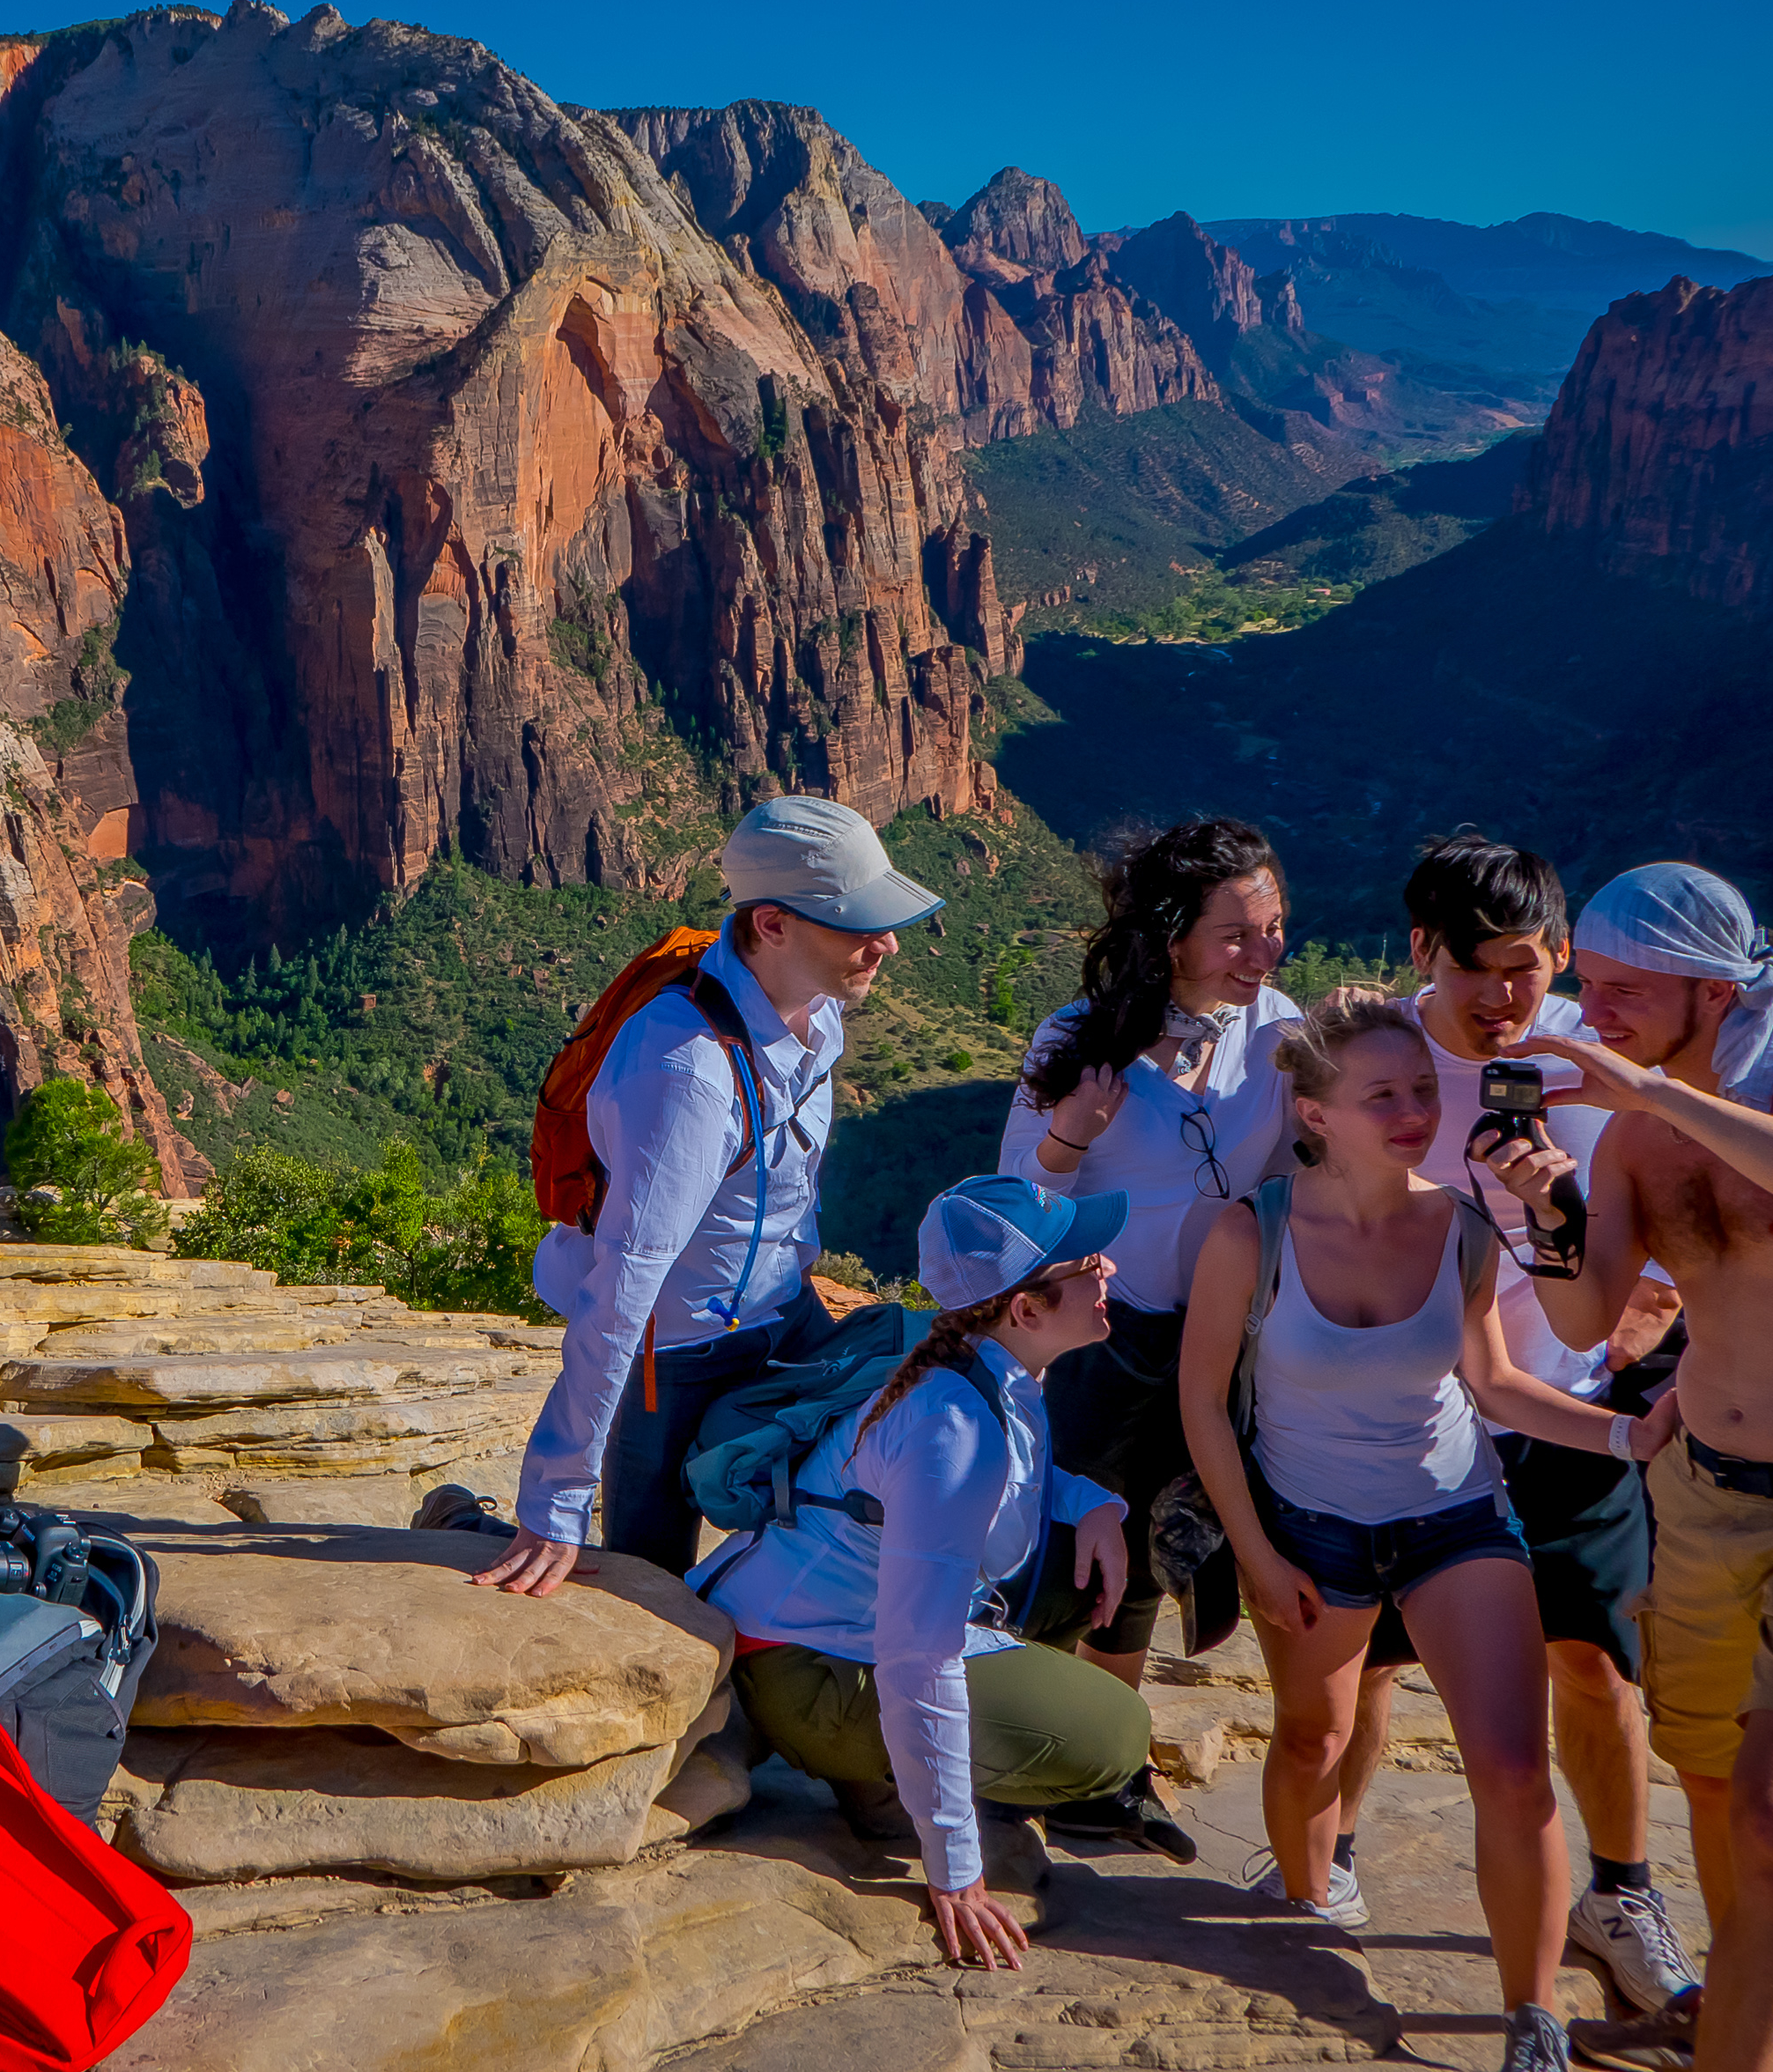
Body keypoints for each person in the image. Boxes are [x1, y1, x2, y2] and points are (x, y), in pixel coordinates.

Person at [1486, 864, 1773, 2072]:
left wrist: (1657, 1094)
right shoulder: (1639, 1140)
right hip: (1703, 1499)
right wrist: (1546, 1207)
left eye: (1625, 989)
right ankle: (1732, 2002)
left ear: (1712, 989)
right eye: (1588, 986)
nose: (1597, 1014)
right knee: (1708, 1784)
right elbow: (1591, 1319)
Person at [1182, 993, 1677, 2072]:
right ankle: (1307, 1918)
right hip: (1309, 1528)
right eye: (1382, 1096)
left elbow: (1493, 1386)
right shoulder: (1249, 1232)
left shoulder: (1459, 1226)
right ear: (1313, 1111)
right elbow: (1202, 1406)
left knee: (1509, 1768)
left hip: (1455, 1514)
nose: (1413, 1112)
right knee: (1310, 1739)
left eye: (1419, 1090)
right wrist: (1256, 1557)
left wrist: (1628, 1437)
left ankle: (1531, 2017)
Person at [1278, 839, 1702, 2015]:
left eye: (1529, 967)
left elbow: (1667, 1226)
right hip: (1403, 1422)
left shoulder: (1596, 1064)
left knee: (1597, 1665)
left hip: (1558, 1411)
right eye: (1480, 970)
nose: (1508, 996)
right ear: (1423, 951)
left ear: (1560, 954)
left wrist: (1627, 1315)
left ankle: (1618, 1893)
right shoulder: (1375, 1054)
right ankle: (1328, 1858)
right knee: (1369, 1668)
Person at [690, 1176, 1168, 1971]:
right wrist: (956, 1865)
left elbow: (1020, 1483)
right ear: (1026, 1308)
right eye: (1086, 1262)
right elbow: (921, 1654)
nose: (1108, 1269)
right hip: (808, 1667)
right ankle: (867, 1768)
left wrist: (1095, 1508)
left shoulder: (984, 1365)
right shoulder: (950, 1423)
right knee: (1114, 1738)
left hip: (828, 1632)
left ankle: (888, 1769)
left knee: (1079, 1575)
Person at [479, 796, 942, 1594]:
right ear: (771, 924)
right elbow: (622, 1290)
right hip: (677, 1356)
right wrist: (554, 1501)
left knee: (829, 1532)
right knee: (640, 1583)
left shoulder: (817, 1009)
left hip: (787, 1316)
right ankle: (462, 1522)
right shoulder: (685, 1070)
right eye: (862, 922)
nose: (888, 943)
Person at [1000, 816, 1297, 1684]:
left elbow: (1287, 1175)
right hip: (1094, 1341)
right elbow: (1009, 1209)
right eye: (1235, 935)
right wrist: (1066, 1138)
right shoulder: (1076, 1039)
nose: (1264, 953)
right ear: (1170, 938)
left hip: (1211, 1339)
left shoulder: (1278, 1032)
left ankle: (1107, 1765)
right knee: (1063, 1553)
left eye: (1273, 928)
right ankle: (1024, 1748)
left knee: (1153, 1553)